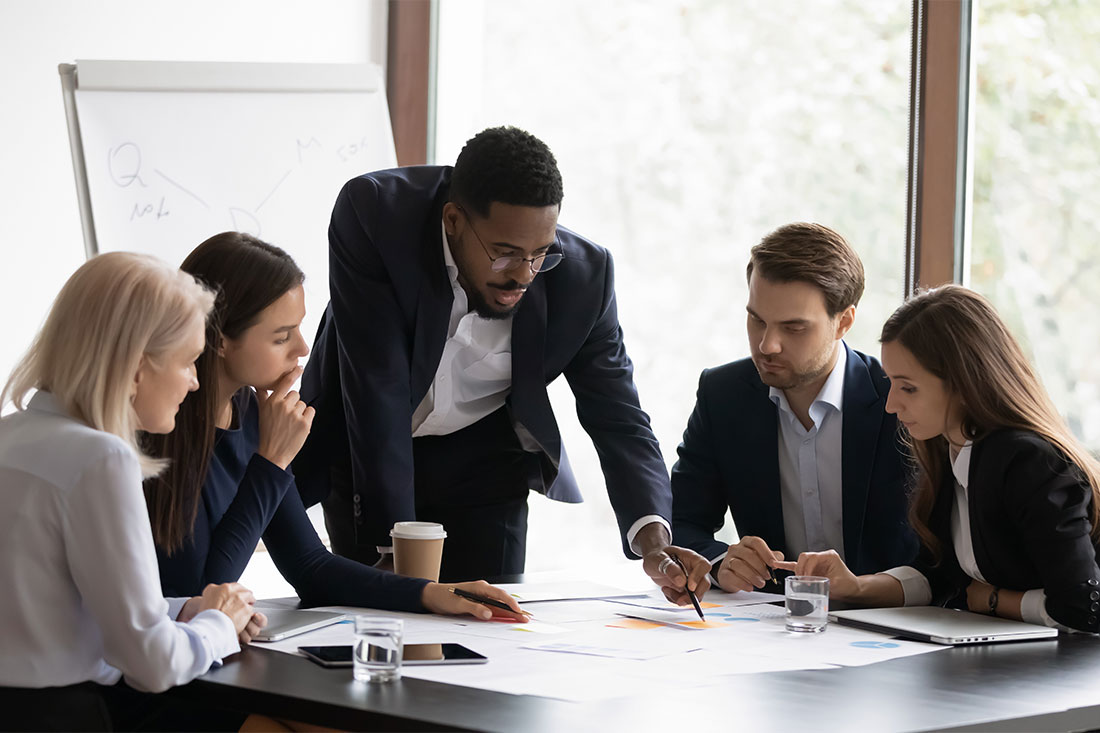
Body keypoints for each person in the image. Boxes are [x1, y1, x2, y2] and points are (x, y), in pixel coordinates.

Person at [295, 125, 709, 601]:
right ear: (453, 221)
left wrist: (656, 543)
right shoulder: (376, 215)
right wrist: (396, 548)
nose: (523, 275)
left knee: (492, 625)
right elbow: (377, 387)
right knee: (377, 622)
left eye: (540, 254)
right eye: (505, 254)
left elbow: (619, 415)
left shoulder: (584, 278)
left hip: (485, 464)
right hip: (369, 450)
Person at [143, 232, 526, 621]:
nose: (303, 349)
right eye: (281, 337)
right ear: (219, 339)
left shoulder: (253, 413)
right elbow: (199, 597)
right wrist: (272, 461)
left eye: (298, 329)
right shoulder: (160, 427)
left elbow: (309, 566)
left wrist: (432, 594)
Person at [0, 252, 259, 731]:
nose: (195, 381)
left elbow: (58, 607)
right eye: (187, 362)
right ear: (137, 368)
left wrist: (189, 608)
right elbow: (151, 662)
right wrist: (219, 626)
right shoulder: (101, 459)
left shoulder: (9, 437)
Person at [777, 285, 1100, 633]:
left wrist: (993, 600)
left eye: (908, 388)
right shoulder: (950, 449)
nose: (891, 404)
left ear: (964, 383)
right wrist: (856, 586)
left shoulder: (1028, 462)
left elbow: (1083, 607)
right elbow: (939, 574)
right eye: (891, 383)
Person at [671, 223, 917, 593]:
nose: (767, 345)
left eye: (794, 328)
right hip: (769, 627)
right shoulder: (723, 394)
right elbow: (681, 520)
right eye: (757, 320)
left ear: (844, 322)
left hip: (886, 623)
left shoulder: (898, 400)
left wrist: (862, 589)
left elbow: (938, 553)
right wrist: (721, 563)